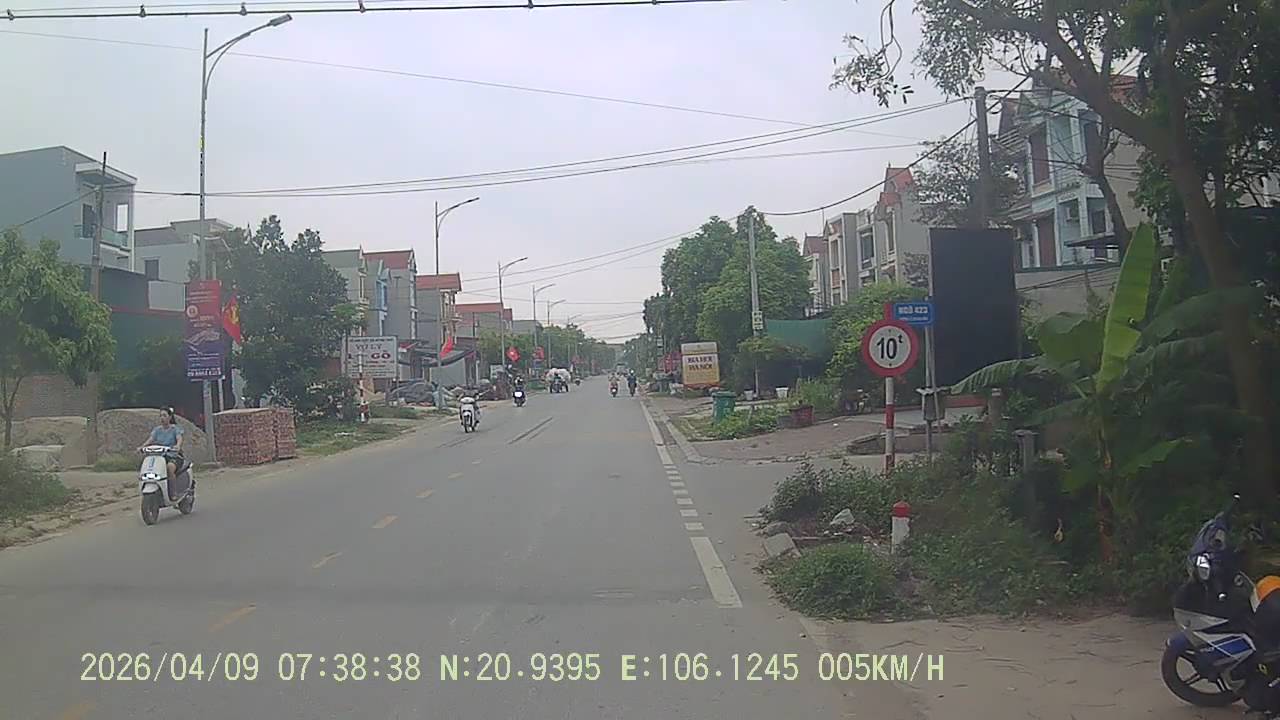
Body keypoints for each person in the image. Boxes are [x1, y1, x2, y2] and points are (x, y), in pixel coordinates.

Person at [139, 407, 185, 486]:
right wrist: (142, 447)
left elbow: (179, 438)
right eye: (160, 416)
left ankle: (173, 490)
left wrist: (177, 446)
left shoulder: (175, 429)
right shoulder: (157, 430)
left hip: (173, 456)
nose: (162, 418)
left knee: (170, 468)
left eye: (164, 415)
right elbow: (150, 440)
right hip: (160, 457)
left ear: (170, 417)